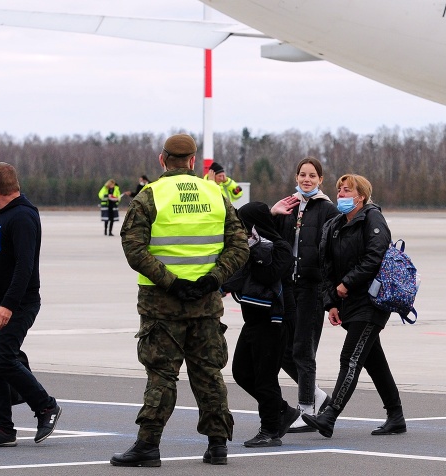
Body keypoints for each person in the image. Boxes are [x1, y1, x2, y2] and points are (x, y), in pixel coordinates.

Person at [112, 133, 249, 467]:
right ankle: (218, 445)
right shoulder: (216, 194)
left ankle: (148, 445)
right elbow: (240, 245)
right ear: (192, 161)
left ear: (162, 159)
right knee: (208, 374)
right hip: (205, 303)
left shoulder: (150, 195)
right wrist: (213, 279)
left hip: (163, 304)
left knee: (162, 375)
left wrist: (171, 283)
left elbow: (133, 246)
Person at [302, 174, 406, 438]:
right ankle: (396, 416)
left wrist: (347, 283)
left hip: (371, 301)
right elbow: (327, 267)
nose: (342, 195)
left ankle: (330, 415)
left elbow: (376, 255)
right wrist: (331, 303)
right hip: (348, 303)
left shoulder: (372, 218)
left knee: (349, 358)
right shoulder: (335, 224)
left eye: (347, 191)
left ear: (361, 196)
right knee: (374, 361)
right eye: (339, 190)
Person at [0, 162, 62, 448]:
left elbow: (25, 267)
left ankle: (46, 407)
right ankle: (2, 429)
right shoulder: (4, 214)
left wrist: (8, 304)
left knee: (3, 358)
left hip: (17, 304)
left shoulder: (21, 217)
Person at [223, 202, 300, 448]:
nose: (244, 230)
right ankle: (283, 411)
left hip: (274, 321)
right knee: (242, 372)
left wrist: (253, 248)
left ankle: (270, 430)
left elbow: (267, 275)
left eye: (247, 225)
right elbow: (237, 277)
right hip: (253, 320)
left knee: (266, 378)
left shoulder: (281, 248)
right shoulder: (250, 248)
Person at [270, 157, 338, 432]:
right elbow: (273, 241)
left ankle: (306, 410)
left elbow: (334, 252)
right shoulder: (289, 205)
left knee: (303, 351)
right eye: (302, 175)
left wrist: (332, 292)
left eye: (312, 175)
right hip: (289, 287)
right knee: (284, 349)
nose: (306, 179)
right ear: (296, 177)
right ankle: (318, 396)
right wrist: (273, 216)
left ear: (320, 179)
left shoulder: (327, 209)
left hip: (312, 288)